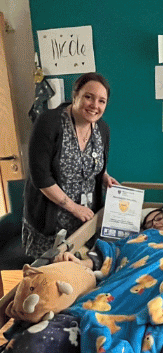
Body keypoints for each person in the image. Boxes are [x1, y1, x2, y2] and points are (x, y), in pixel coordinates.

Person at [22, 72, 119, 259]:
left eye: (101, 101)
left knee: (79, 269)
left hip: (85, 221)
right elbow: (40, 177)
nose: (95, 106)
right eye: (88, 97)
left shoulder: (102, 129)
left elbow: (96, 161)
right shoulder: (49, 123)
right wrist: (74, 208)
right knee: (51, 273)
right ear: (75, 96)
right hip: (52, 221)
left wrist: (104, 176)